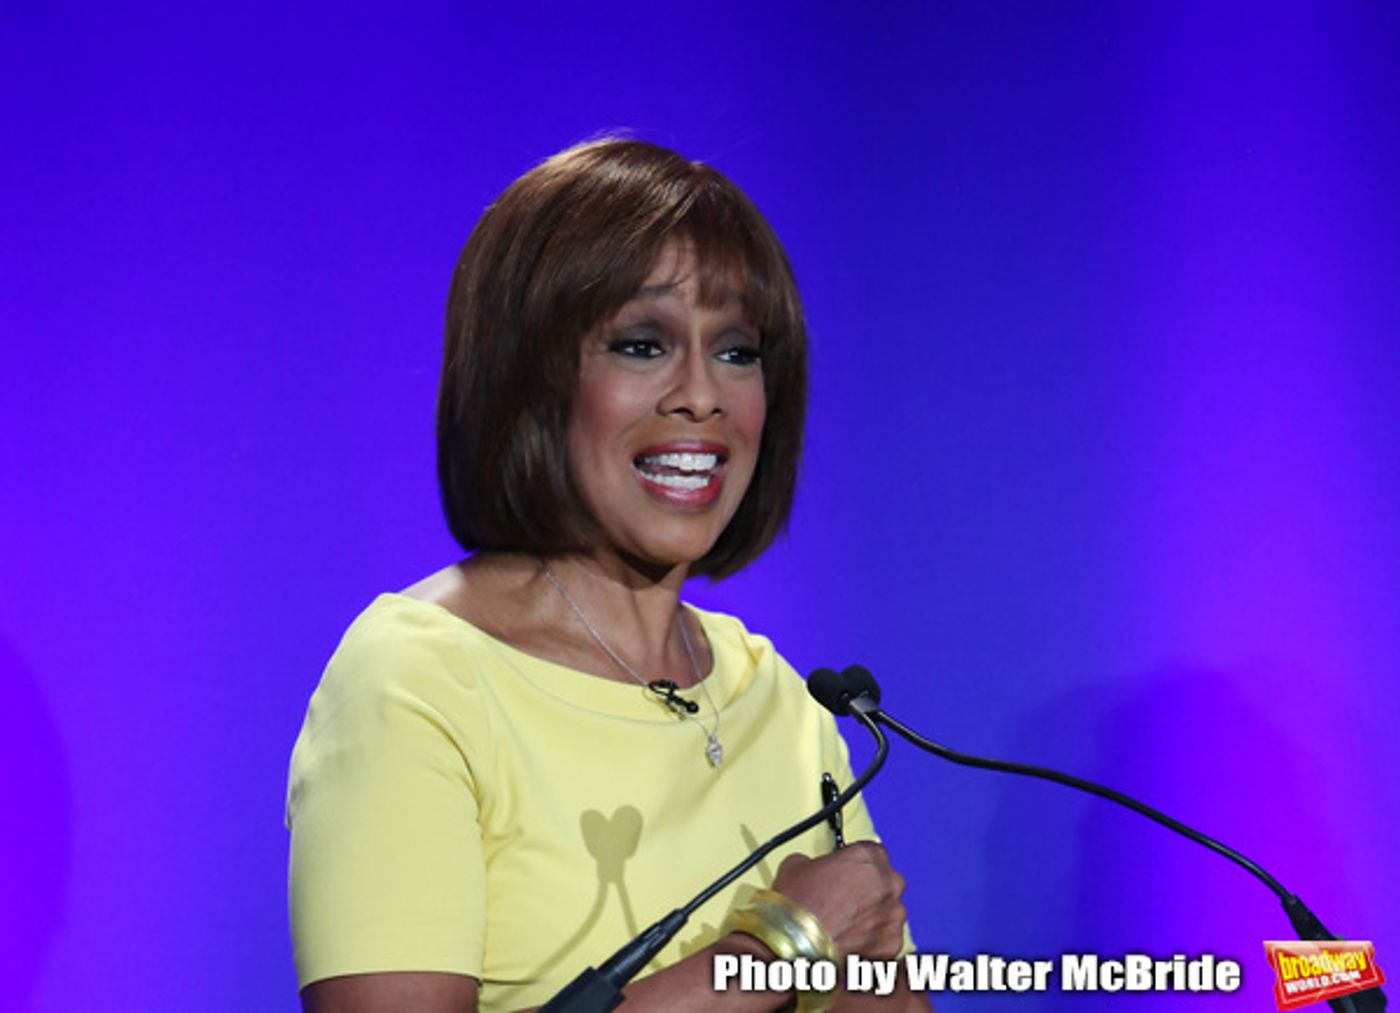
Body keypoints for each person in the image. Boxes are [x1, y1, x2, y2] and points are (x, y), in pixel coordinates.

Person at [286, 138, 923, 1012]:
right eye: (641, 343)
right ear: (528, 379)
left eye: (737, 351)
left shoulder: (783, 704)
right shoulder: (419, 680)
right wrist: (781, 942)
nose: (702, 395)